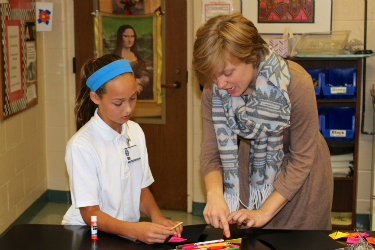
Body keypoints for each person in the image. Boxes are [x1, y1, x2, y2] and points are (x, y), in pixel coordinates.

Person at [192, 12, 333, 237]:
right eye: (214, 74)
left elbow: (302, 158)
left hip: (301, 178)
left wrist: (264, 212)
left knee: (300, 242)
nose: (220, 83)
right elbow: (211, 153)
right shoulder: (215, 90)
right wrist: (215, 195)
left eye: (228, 73)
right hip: (255, 170)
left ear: (251, 57)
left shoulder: (296, 82)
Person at [61, 54, 182, 243]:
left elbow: (141, 190)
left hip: (125, 232)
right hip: (88, 234)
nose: (128, 109)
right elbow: (90, 213)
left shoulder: (135, 131)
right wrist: (135, 231)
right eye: (118, 103)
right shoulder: (82, 146)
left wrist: (158, 218)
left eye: (132, 98)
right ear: (95, 97)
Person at [113, 25, 153, 99]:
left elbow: (147, 76)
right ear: (120, 37)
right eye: (126, 36)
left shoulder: (138, 58)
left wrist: (137, 81)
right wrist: (133, 86)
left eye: (132, 36)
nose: (130, 39)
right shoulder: (114, 58)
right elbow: (114, 79)